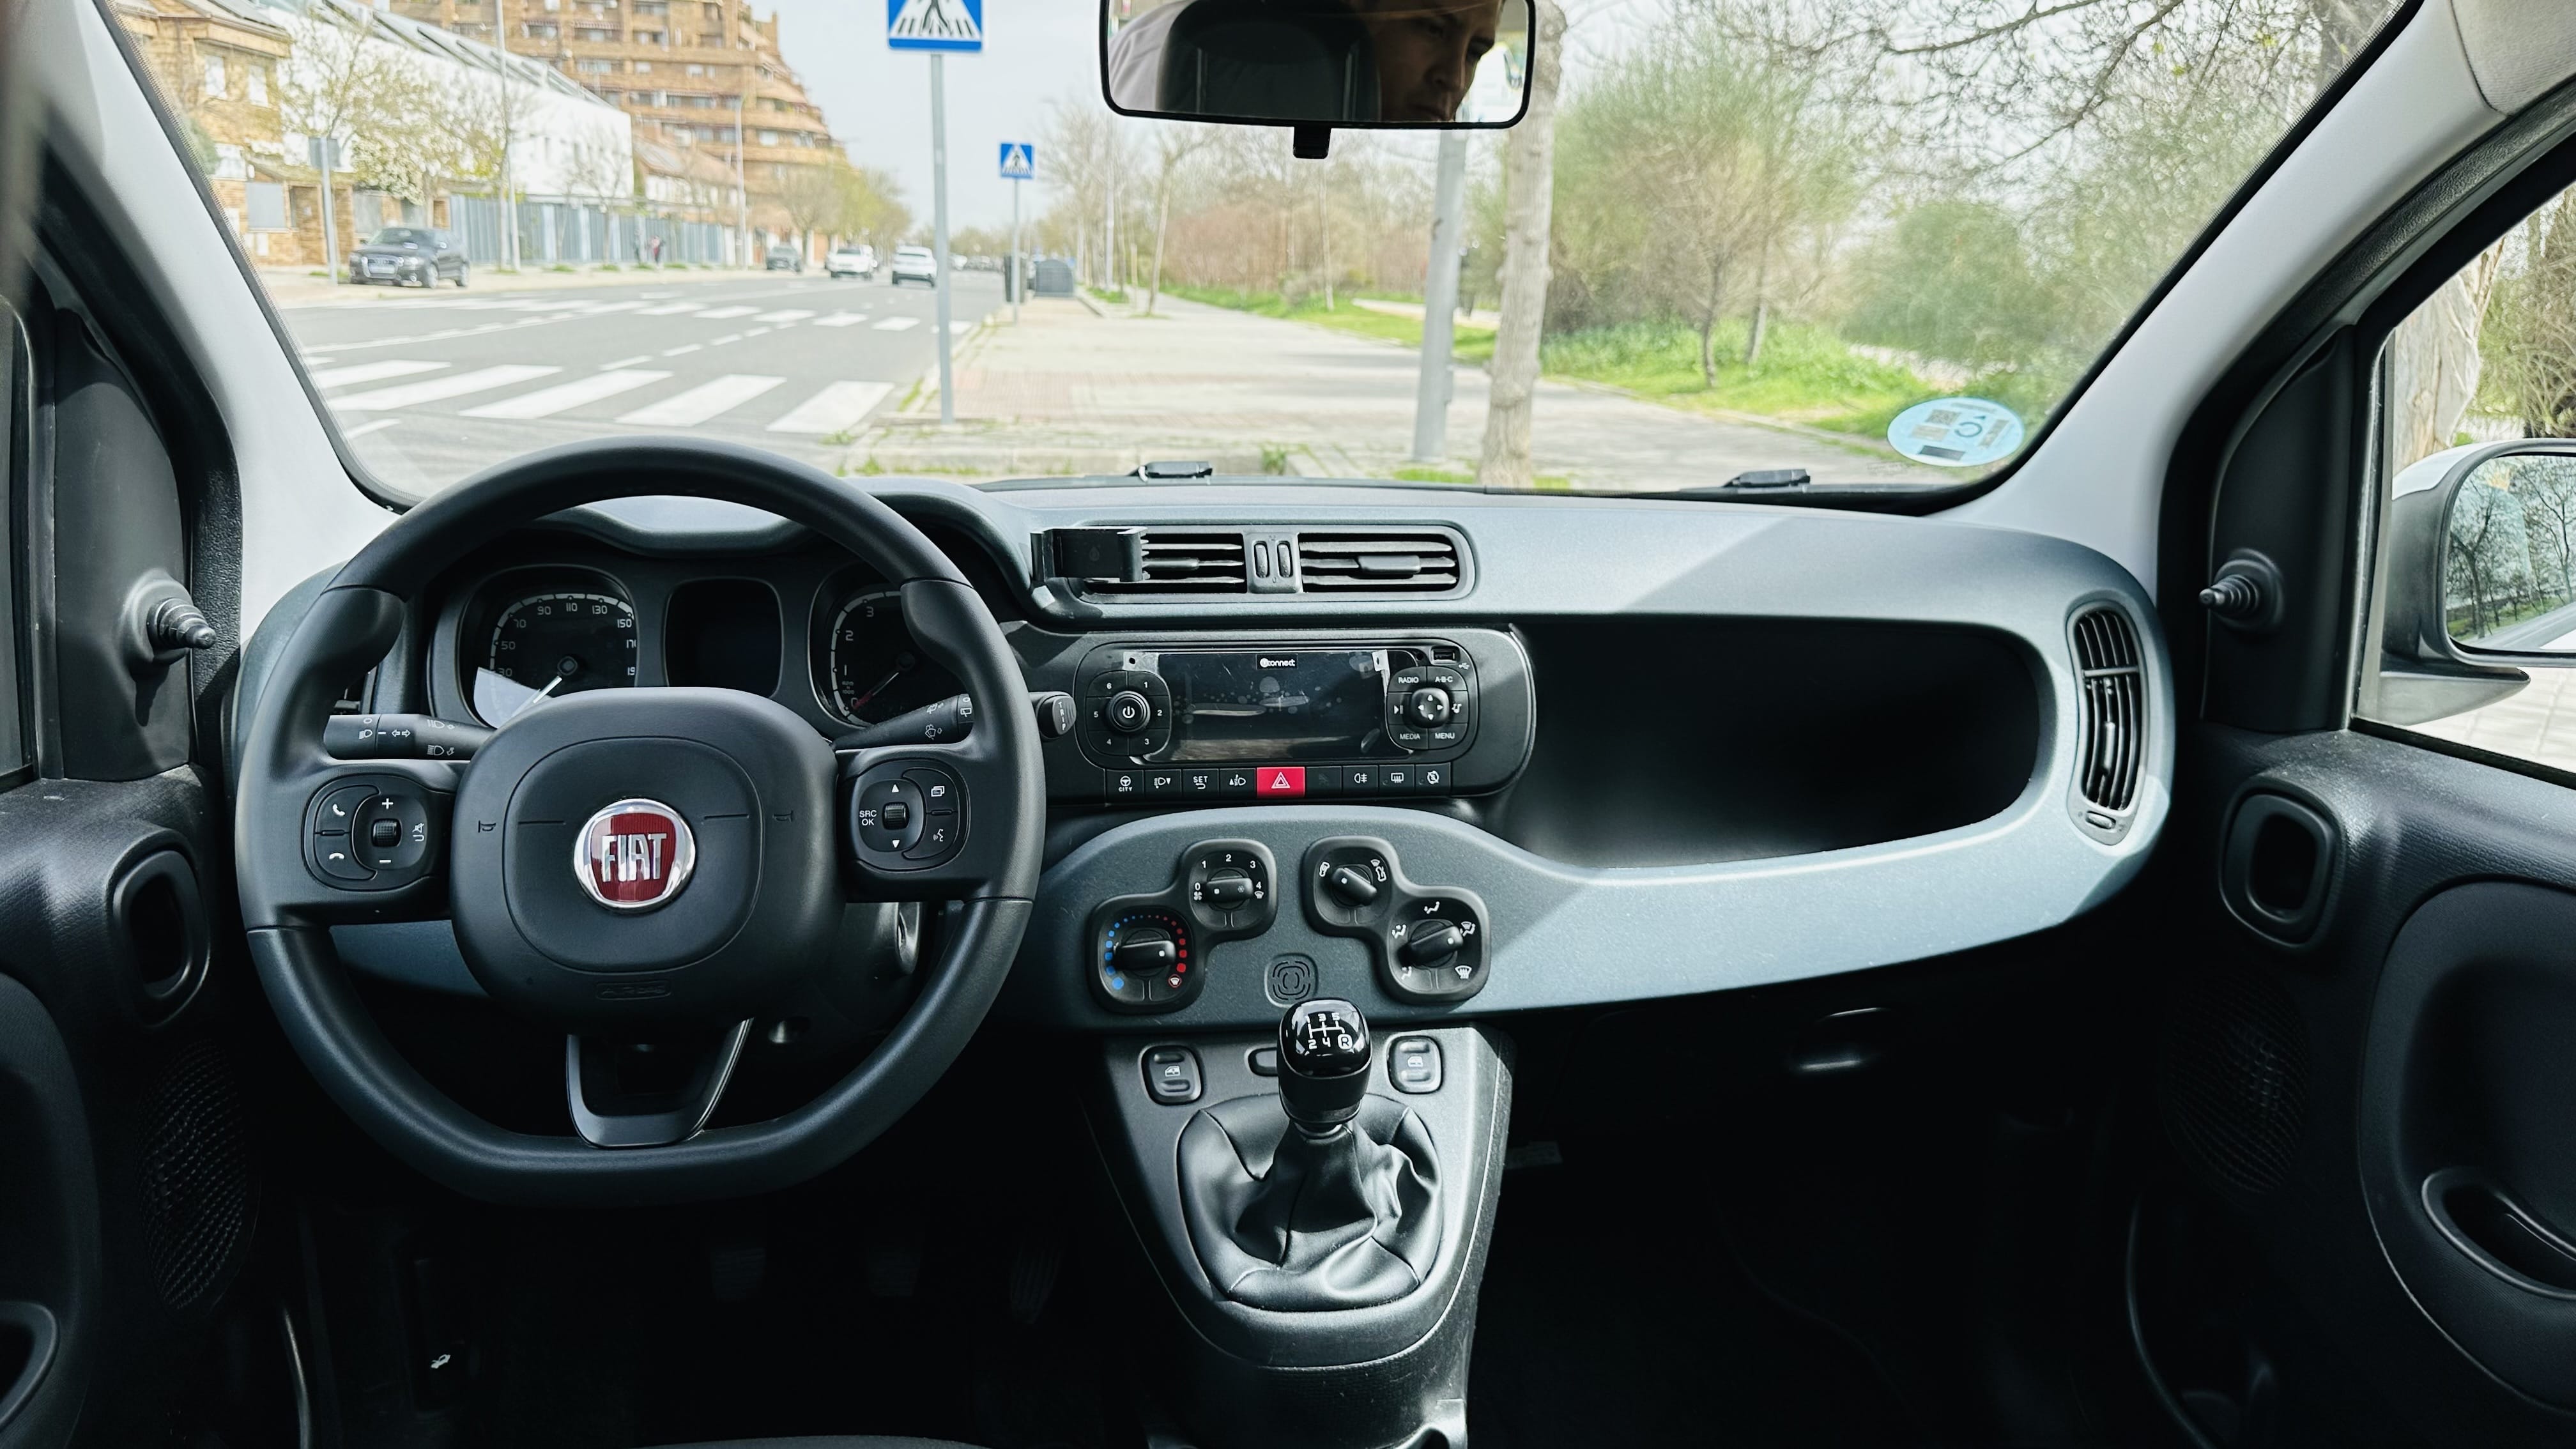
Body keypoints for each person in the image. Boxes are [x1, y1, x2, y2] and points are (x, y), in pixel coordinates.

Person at [1106, 0, 1501, 123]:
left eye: (1476, 52)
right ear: (1351, 9)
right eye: (1432, 29)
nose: (1454, 78)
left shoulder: (1135, 41)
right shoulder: (1146, 48)